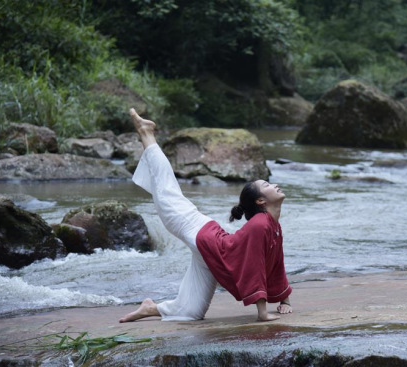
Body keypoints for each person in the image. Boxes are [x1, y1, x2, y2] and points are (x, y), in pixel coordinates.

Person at [119, 108, 292, 323]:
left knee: (190, 313)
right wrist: (262, 313)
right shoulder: (260, 225)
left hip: (214, 255)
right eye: (267, 184)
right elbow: (254, 267)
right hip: (199, 233)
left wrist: (285, 299)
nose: (275, 184)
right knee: (167, 192)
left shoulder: (272, 225)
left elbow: (275, 263)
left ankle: (150, 308)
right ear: (260, 201)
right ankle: (147, 134)